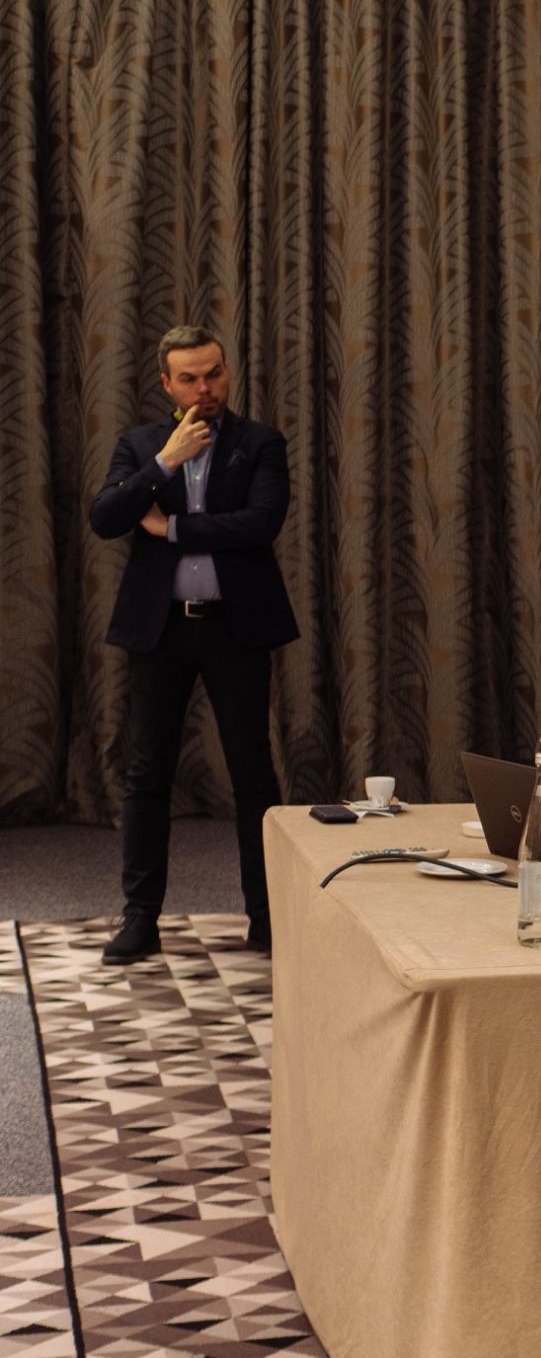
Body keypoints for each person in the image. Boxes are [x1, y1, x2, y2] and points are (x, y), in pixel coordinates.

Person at [88, 325, 299, 964]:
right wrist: (165, 463)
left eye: (214, 374)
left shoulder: (260, 442)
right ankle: (140, 918)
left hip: (236, 627)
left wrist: (173, 527)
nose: (205, 388)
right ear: (167, 383)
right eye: (190, 378)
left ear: (226, 372)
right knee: (147, 772)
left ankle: (267, 917)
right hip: (162, 629)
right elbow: (106, 518)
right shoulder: (140, 446)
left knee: (253, 774)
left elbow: (260, 523)